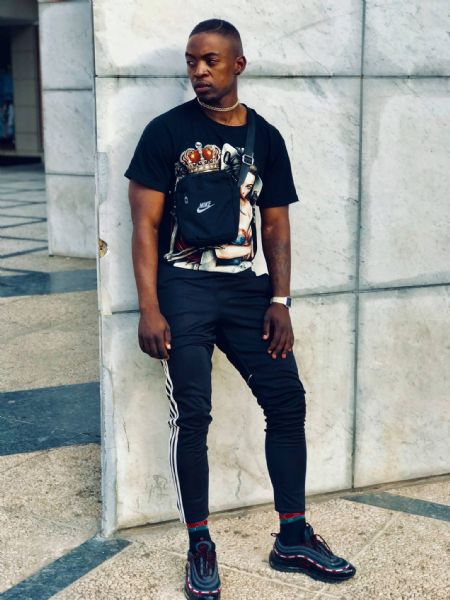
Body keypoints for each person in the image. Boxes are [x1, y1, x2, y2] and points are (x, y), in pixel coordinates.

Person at [125, 19, 356, 599]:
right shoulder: (166, 132)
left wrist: (280, 299)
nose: (199, 71)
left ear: (238, 65)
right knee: (193, 415)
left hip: (247, 291)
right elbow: (144, 225)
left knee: (286, 400)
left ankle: (293, 536)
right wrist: (149, 308)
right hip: (184, 289)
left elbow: (276, 224)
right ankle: (200, 543)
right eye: (191, 61)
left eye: (210, 61)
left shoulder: (266, 137)